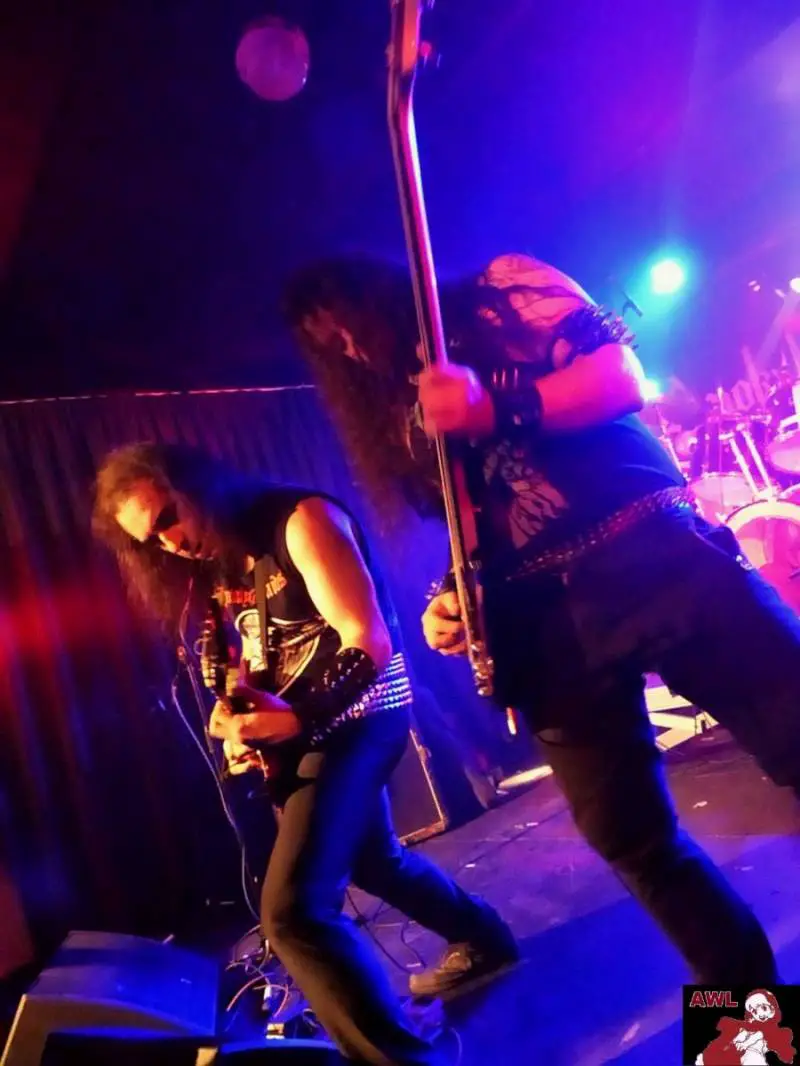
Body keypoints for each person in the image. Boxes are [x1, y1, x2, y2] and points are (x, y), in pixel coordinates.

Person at [284, 251, 800, 987]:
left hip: (653, 558)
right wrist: (453, 597)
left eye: (351, 325)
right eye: (330, 346)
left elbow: (621, 379)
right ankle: (750, 1029)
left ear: (385, 290)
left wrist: (497, 407)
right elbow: (474, 527)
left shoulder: (501, 293)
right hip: (546, 632)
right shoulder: (399, 417)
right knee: (632, 841)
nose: (352, 348)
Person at [91, 441, 517, 1066]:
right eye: (152, 540)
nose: (170, 543)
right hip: (309, 732)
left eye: (168, 518)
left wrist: (296, 719)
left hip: (363, 719)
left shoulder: (301, 520)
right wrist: (234, 717)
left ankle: (399, 1058)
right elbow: (250, 660)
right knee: (377, 862)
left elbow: (368, 642)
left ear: (195, 482)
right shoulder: (223, 562)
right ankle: (485, 938)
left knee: (293, 913)